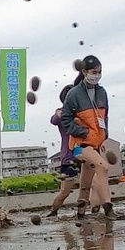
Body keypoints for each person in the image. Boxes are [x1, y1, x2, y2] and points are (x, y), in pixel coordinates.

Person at [61, 55, 116, 219]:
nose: (97, 75)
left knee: (85, 184)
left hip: (97, 143)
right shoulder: (73, 94)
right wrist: (83, 132)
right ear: (84, 72)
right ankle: (109, 208)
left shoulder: (102, 92)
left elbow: (105, 117)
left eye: (100, 72)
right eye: (94, 72)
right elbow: (65, 119)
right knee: (103, 167)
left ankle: (80, 212)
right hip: (80, 145)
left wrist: (105, 135)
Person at [47, 85, 96, 217]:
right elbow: (54, 119)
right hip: (69, 157)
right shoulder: (61, 113)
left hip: (87, 154)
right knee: (65, 191)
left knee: (90, 186)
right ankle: (52, 213)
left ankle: (84, 213)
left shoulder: (86, 113)